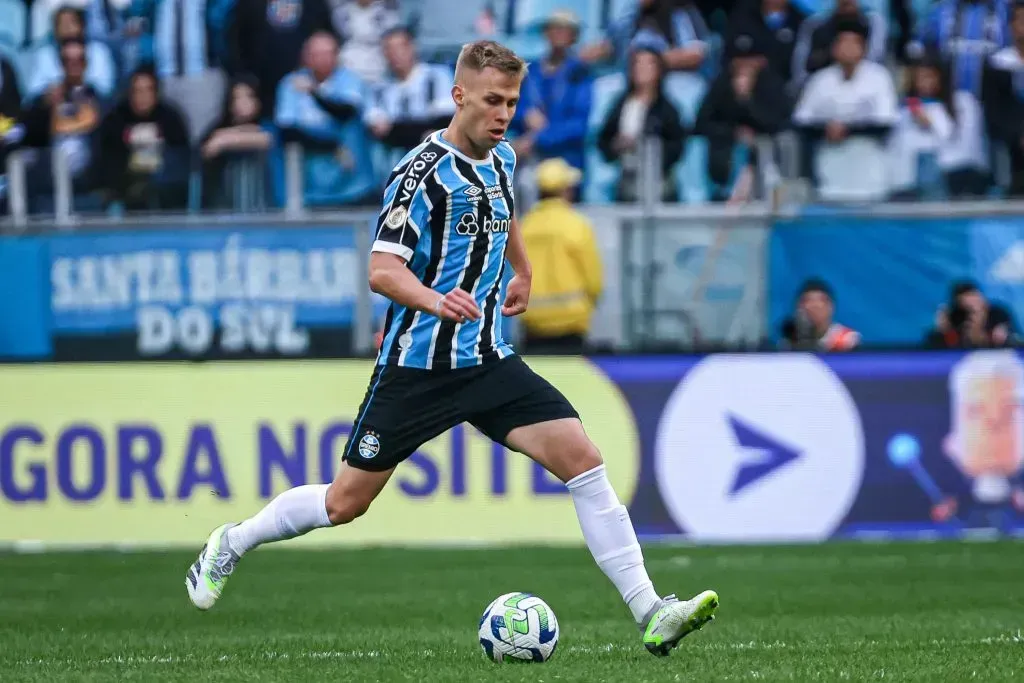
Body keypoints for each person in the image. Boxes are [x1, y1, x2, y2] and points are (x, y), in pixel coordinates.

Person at [185, 39, 719, 657]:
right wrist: (438, 301)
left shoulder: (502, 159)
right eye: (493, 100)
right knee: (343, 503)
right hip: (418, 368)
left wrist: (521, 270)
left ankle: (653, 612)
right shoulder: (419, 174)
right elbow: (382, 271)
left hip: (487, 360)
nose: (503, 114)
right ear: (459, 95)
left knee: (584, 460)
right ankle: (234, 542)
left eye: (513, 102)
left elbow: (505, 211)